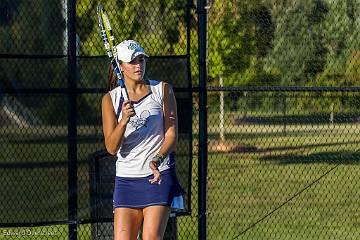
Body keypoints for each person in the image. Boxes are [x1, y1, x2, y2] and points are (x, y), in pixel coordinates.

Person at [101, 40, 184, 240]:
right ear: (120, 66)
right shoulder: (109, 100)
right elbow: (111, 148)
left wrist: (157, 159)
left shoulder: (162, 90)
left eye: (141, 59)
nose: (139, 65)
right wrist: (123, 121)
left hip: (158, 177)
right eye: (132, 61)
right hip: (126, 181)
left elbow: (171, 135)